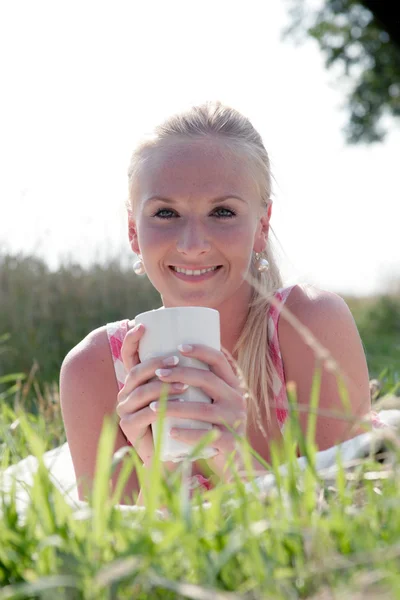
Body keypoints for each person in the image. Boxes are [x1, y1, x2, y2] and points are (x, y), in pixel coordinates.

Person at [59, 100, 377, 506]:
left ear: (261, 227)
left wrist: (239, 465)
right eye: (165, 213)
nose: (193, 245)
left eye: (222, 211)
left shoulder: (309, 325)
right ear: (133, 232)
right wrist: (163, 474)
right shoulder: (96, 370)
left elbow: (357, 519)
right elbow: (115, 563)